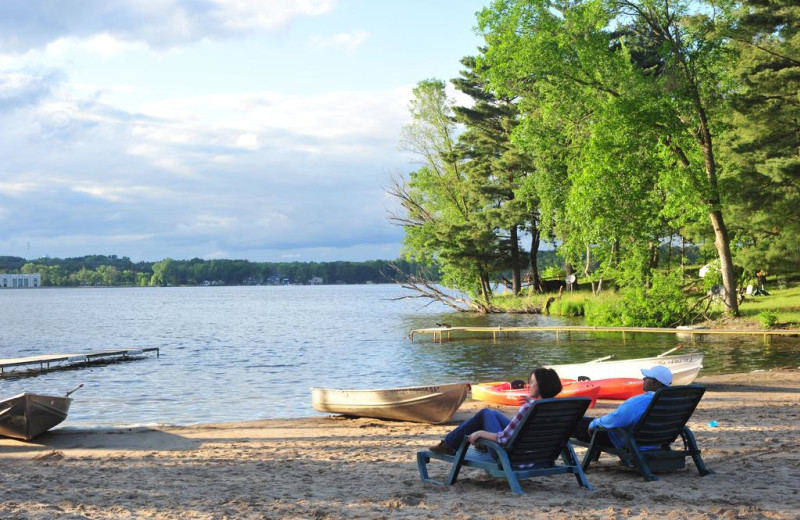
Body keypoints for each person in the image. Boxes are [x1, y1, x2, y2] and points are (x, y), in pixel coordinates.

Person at [428, 367, 562, 456]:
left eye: (532, 382)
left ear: (542, 385)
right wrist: (532, 402)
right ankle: (476, 445)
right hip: (538, 455)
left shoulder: (530, 408)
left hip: (510, 455)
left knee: (485, 413)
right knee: (493, 414)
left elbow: (504, 439)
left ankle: (448, 445)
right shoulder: (556, 407)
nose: (528, 385)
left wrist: (480, 433)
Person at [572, 365, 672, 448]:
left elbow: (617, 419)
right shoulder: (672, 400)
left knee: (572, 422)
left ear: (657, 383)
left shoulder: (640, 401)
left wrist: (593, 424)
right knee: (584, 420)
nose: (643, 379)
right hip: (656, 440)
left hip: (625, 440)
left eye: (647, 377)